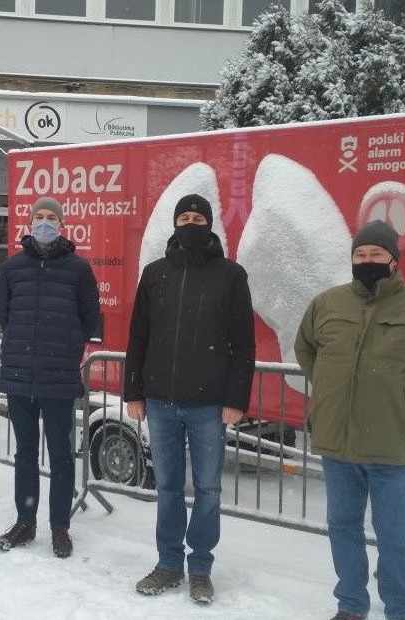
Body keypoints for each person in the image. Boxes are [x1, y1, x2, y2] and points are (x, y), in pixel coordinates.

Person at [293, 220, 405, 620]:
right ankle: (351, 604)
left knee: (395, 536)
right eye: (360, 255)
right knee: (343, 528)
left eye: (376, 255)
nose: (367, 261)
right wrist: (334, 386)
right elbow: (306, 351)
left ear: (393, 261)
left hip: (389, 446)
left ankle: (401, 608)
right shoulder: (327, 304)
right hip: (339, 444)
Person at [124, 194, 255, 605]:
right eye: (184, 217)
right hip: (160, 401)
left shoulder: (231, 276)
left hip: (209, 405)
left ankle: (200, 568)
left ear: (210, 225)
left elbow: (243, 344)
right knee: (166, 487)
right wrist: (133, 391)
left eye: (198, 217)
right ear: (175, 223)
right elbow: (138, 337)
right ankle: (167, 563)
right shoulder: (155, 273)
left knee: (209, 488)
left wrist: (236, 398)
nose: (191, 223)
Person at [0, 196, 100, 559]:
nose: (44, 221)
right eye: (38, 216)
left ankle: (59, 527)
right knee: (25, 453)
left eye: (50, 217)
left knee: (61, 455)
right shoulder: (12, 268)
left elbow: (89, 319)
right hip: (19, 376)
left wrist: (66, 349)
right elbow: (6, 317)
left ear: (61, 224)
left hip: (58, 377)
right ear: (29, 221)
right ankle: (25, 522)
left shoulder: (79, 269)